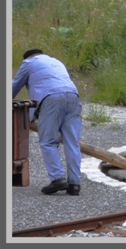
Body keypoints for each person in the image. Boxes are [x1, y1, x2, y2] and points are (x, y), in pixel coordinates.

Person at [11, 49, 83, 195]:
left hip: (52, 99)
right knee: (72, 142)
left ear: (28, 57)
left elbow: (14, 87)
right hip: (74, 97)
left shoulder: (28, 63)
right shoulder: (56, 62)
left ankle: (57, 179)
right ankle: (74, 184)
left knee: (48, 141)